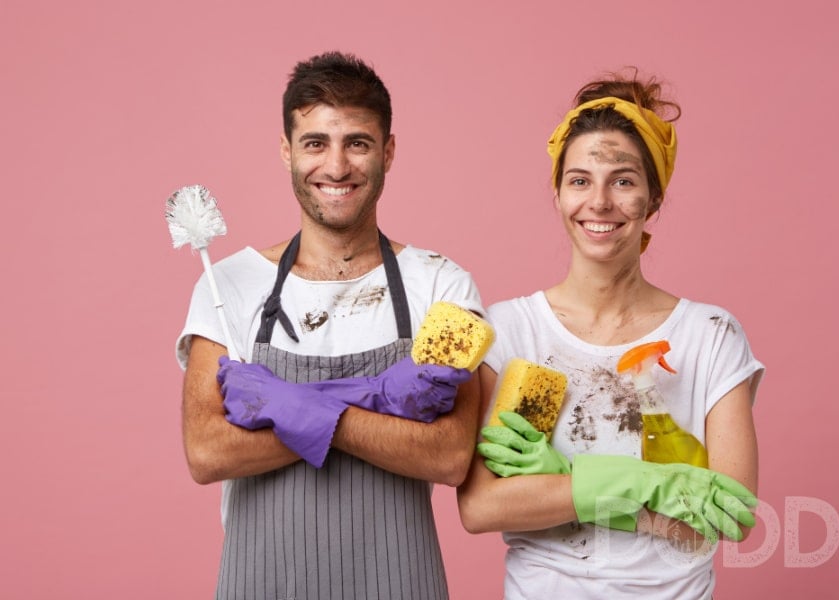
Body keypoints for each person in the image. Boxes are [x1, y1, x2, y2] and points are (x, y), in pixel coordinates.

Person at [175, 51, 483, 600]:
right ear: (287, 151)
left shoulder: (441, 284)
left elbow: (448, 455)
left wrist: (294, 407)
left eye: (357, 143)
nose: (336, 167)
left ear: (388, 151)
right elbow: (208, 452)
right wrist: (374, 403)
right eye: (316, 143)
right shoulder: (229, 286)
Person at [457, 70, 763, 599]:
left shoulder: (710, 336)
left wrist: (566, 481)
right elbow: (482, 506)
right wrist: (639, 485)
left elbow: (728, 515)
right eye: (579, 180)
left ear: (653, 198)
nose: (599, 202)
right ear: (558, 194)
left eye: (622, 181)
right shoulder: (510, 331)